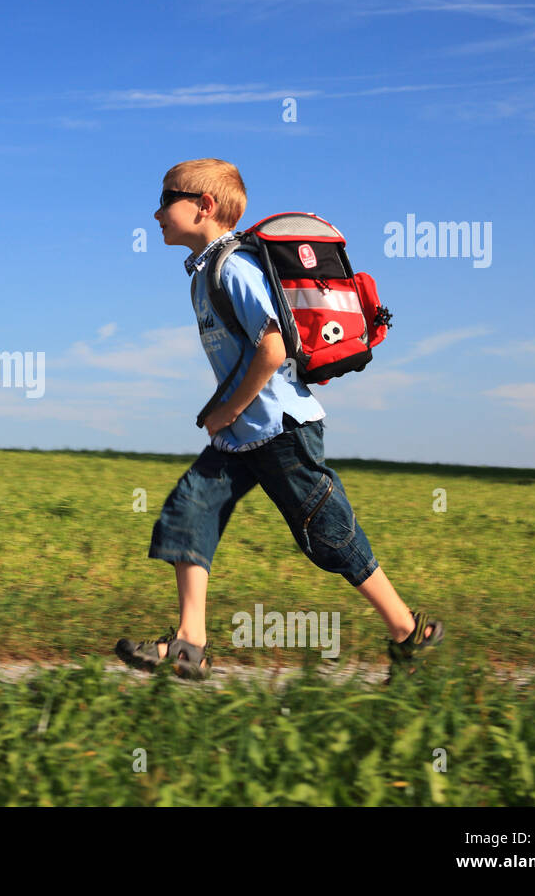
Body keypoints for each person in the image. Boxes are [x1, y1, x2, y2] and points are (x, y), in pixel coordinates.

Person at [115, 158, 442, 680]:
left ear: (204, 206)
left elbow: (271, 350)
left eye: (166, 199)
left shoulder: (234, 270)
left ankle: (407, 631)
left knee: (326, 533)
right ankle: (188, 644)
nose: (156, 212)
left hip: (281, 430)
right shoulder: (204, 275)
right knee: (187, 513)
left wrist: (227, 409)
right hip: (242, 435)